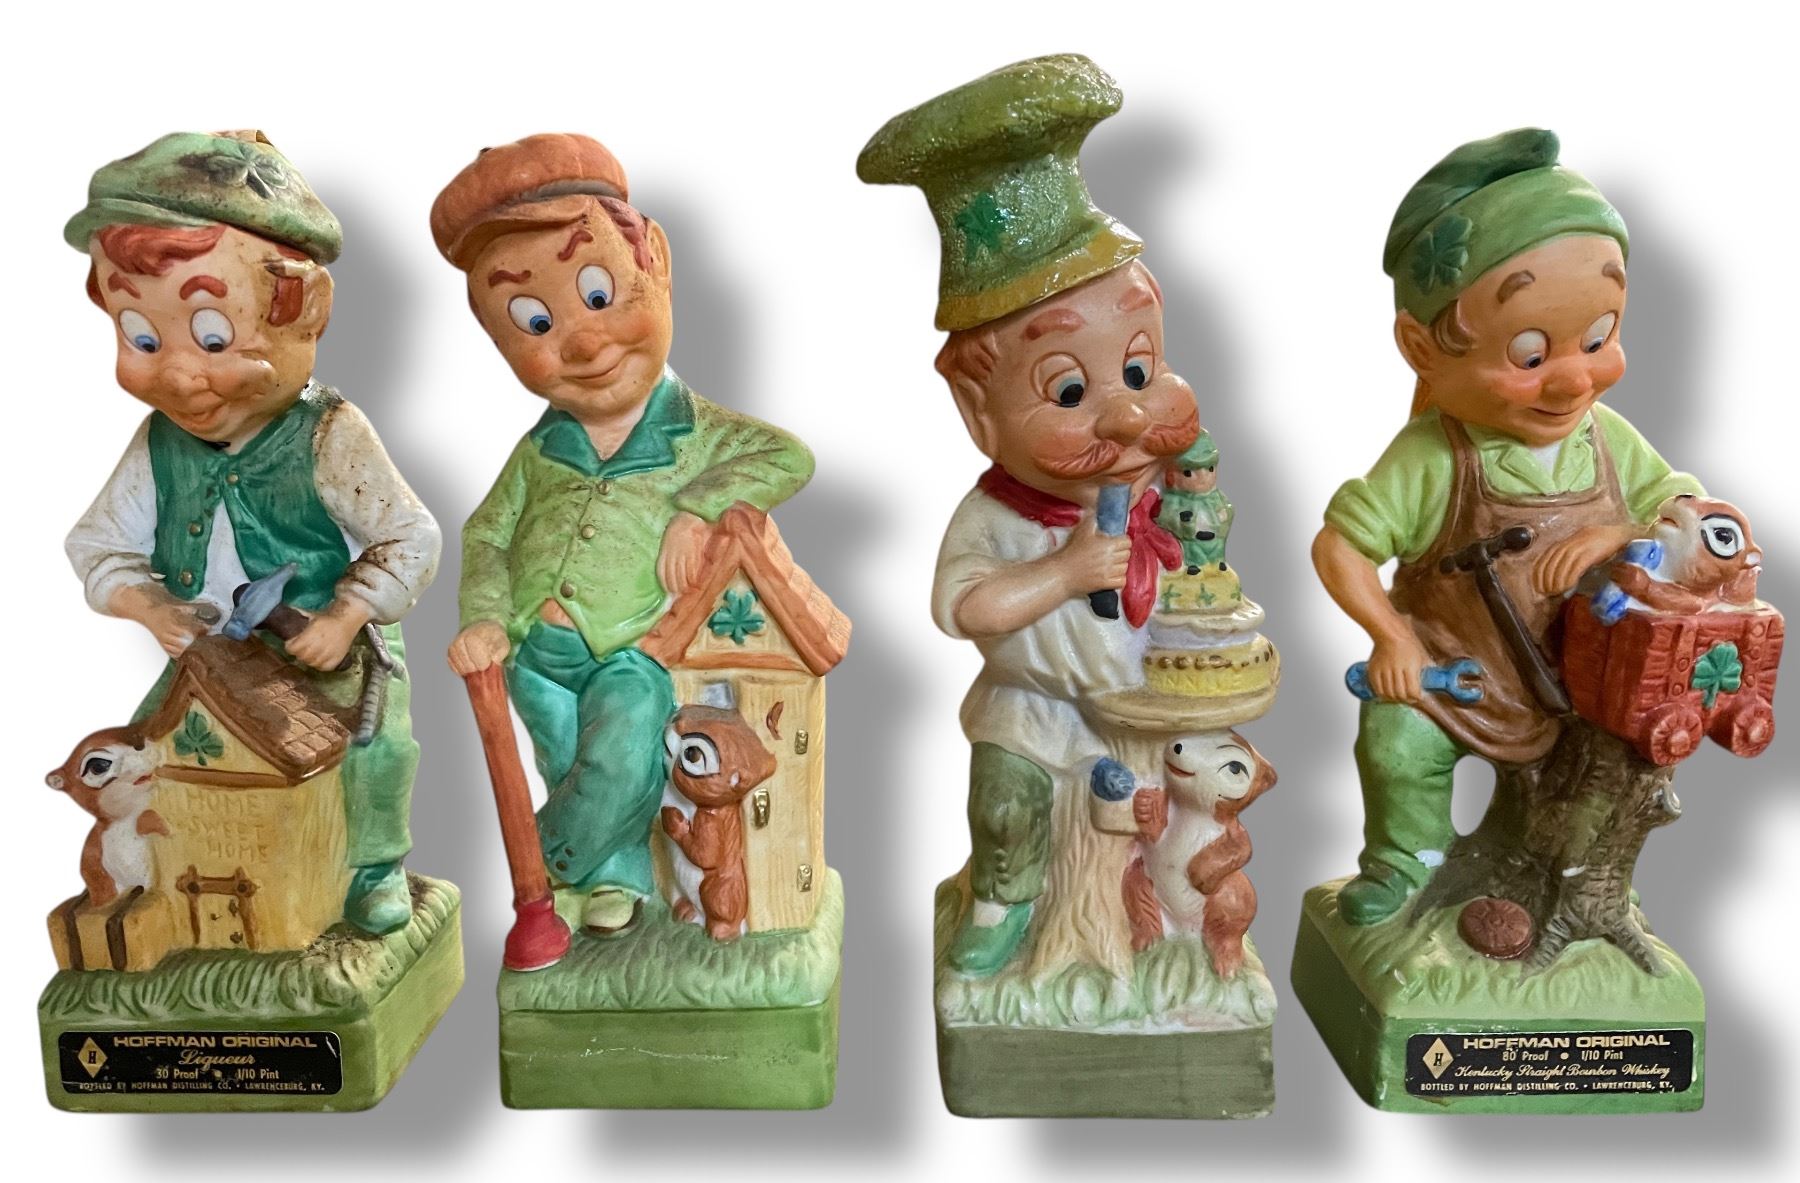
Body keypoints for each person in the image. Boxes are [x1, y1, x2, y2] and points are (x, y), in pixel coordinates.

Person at [860, 56, 1198, 975]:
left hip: (1147, 707)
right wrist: (1064, 572)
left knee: (1185, 813)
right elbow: (965, 609)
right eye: (1069, 390)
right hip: (1035, 713)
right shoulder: (997, 516)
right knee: (1007, 803)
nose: (1126, 416)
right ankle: (1003, 903)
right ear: (978, 411)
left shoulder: (1170, 499)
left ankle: (1161, 924)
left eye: (1141, 368)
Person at [1313, 129, 1702, 924]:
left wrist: (1619, 533)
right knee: (1397, 745)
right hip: (1451, 674)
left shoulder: (1607, 441)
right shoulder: (1434, 457)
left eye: (1599, 338)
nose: (1573, 378)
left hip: (1578, 686)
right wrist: (1393, 637)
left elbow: (1690, 516)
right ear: (1422, 349)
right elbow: (1342, 544)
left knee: (1601, 785)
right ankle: (1407, 865)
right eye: (1529, 354)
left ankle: (1576, 883)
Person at [435, 134, 813, 935]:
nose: (579, 340)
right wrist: (487, 616)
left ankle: (542, 865)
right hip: (536, 648)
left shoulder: (700, 431)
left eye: (599, 293)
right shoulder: (539, 451)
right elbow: (487, 532)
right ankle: (615, 879)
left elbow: (787, 456)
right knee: (566, 761)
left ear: (657, 261)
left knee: (623, 748)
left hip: (632, 649)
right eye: (534, 322)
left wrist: (699, 505)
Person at [64, 131, 441, 934]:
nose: (178, 372)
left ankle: (372, 868)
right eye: (141, 337)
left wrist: (346, 616)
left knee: (375, 752)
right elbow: (95, 544)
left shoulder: (328, 432)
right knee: (151, 750)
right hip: (217, 659)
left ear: (305, 313)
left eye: (211, 335)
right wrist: (152, 607)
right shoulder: (158, 445)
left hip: (329, 652)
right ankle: (164, 874)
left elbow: (411, 536)